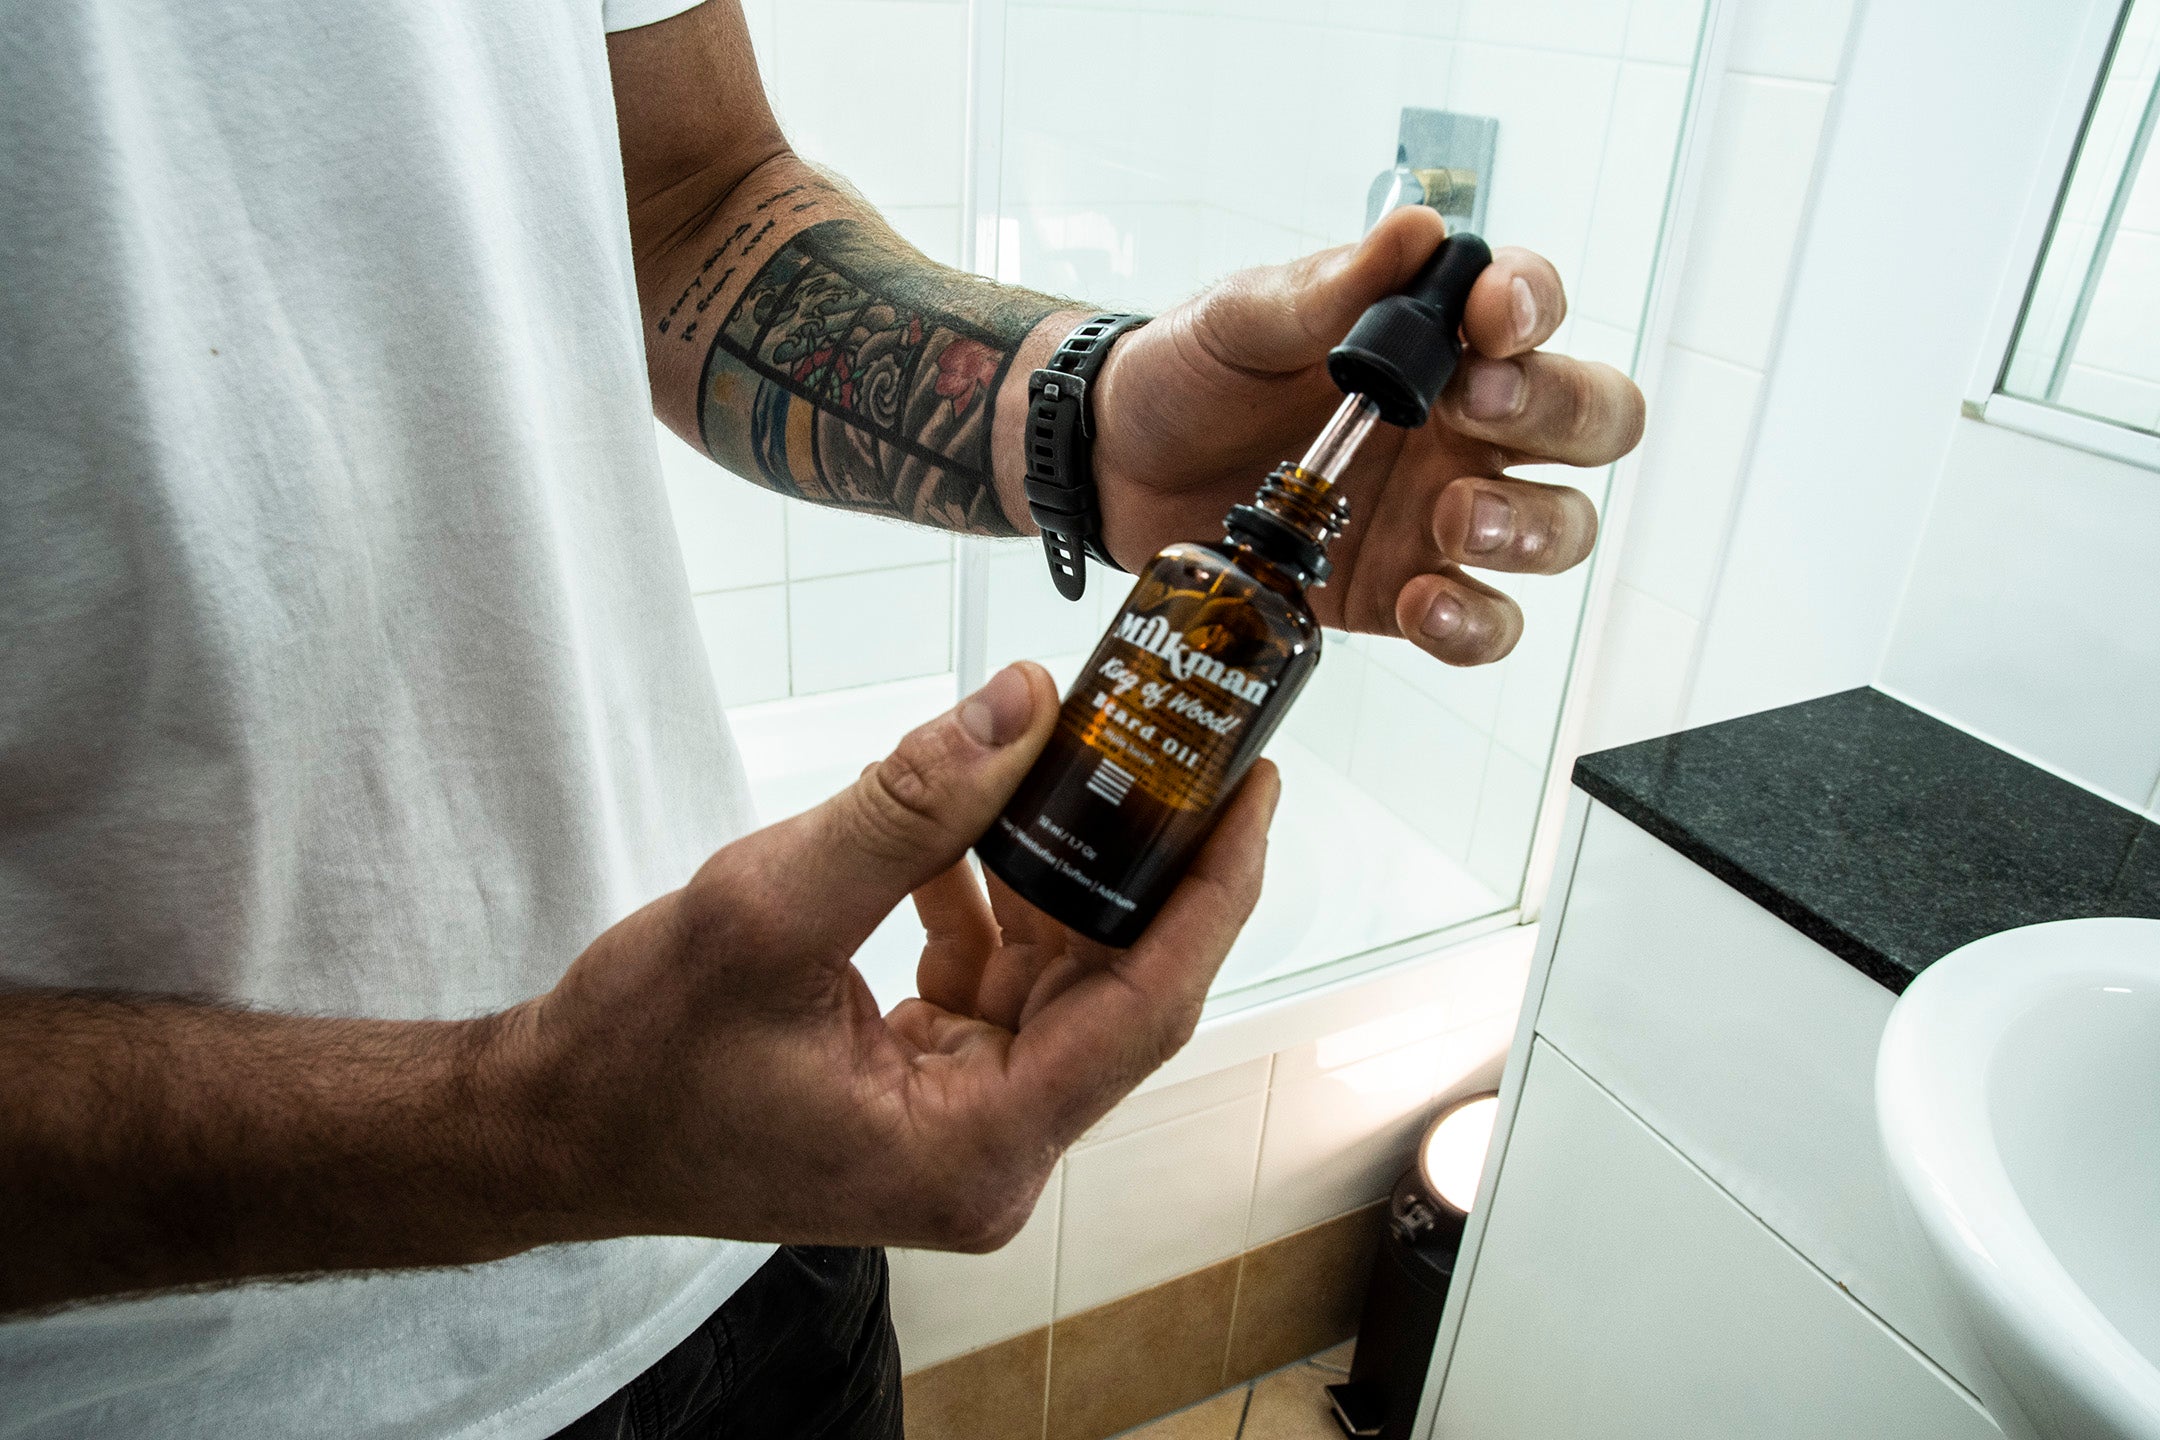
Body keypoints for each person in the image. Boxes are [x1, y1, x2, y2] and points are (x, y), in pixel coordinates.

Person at [0, 0, 1643, 1434]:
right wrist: (529, 1123)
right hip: (182, 1386)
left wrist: (1080, 423)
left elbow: (693, 196)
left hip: (756, 1231)